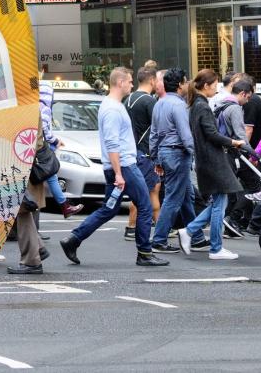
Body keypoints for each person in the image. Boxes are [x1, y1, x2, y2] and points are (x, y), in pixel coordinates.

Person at [59, 68, 169, 267]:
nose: (131, 85)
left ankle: (73, 240)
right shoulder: (111, 109)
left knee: (109, 209)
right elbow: (112, 143)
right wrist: (119, 173)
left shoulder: (113, 106)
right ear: (120, 82)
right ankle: (145, 253)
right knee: (144, 206)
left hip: (120, 167)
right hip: (125, 167)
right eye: (128, 81)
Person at [177, 69, 246, 260]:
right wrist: (233, 142)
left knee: (218, 202)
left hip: (206, 159)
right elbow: (211, 134)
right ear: (206, 85)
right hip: (212, 160)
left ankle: (189, 231)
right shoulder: (202, 106)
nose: (216, 89)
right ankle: (215, 248)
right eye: (214, 85)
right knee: (219, 205)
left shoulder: (195, 105)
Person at [148, 68, 205, 253]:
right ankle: (159, 239)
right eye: (186, 80)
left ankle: (194, 236)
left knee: (187, 196)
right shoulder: (179, 105)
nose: (187, 83)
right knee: (173, 198)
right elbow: (185, 135)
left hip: (165, 152)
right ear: (180, 84)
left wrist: (156, 157)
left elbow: (154, 134)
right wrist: (198, 155)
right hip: (178, 153)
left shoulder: (159, 103)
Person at [123, 66, 162, 241]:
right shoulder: (149, 102)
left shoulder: (127, 99)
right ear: (152, 80)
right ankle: (132, 227)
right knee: (146, 189)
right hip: (145, 152)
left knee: (151, 188)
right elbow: (158, 129)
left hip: (132, 149)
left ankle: (160, 227)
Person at [8, 121, 50, 275]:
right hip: (25, 163)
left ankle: (31, 261)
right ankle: (38, 248)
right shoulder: (28, 103)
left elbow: (26, 140)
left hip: (23, 165)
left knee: (22, 209)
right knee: (21, 209)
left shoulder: (25, 106)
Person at [38, 80, 84, 218]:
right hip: (42, 148)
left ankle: (65, 206)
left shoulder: (34, 105)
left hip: (34, 147)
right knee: (51, 176)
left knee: (48, 177)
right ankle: (65, 206)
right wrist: (56, 141)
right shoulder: (44, 108)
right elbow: (45, 130)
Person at [216, 79, 253, 236]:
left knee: (230, 191)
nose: (248, 100)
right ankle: (233, 218)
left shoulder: (221, 104)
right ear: (242, 93)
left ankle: (228, 223)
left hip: (222, 152)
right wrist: (252, 152)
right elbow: (240, 134)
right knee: (254, 186)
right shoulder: (235, 108)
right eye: (248, 97)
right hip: (233, 153)